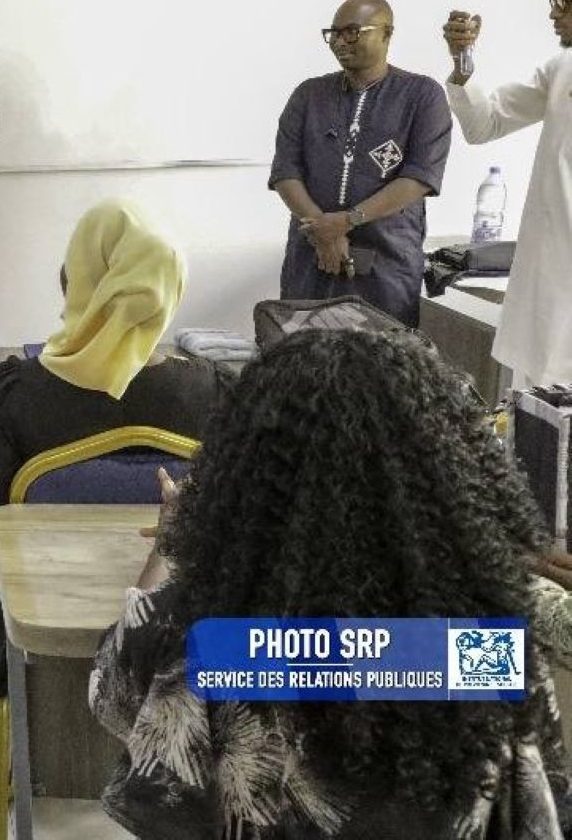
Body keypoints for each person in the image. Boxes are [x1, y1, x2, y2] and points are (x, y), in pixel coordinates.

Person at [88, 329, 569, 837]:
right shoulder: (484, 648)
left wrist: (168, 544)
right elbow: (539, 812)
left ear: (244, 469)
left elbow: (110, 700)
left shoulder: (193, 634)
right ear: (444, 472)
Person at [0, 200, 223, 793]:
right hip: (170, 653)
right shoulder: (212, 393)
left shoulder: (15, 394)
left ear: (77, 283)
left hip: (34, 637)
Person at [269, 0, 452, 328]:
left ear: (386, 33)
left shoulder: (422, 96)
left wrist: (347, 221)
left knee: (382, 365)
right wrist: (324, 230)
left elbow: (418, 177)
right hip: (312, 258)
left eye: (352, 31)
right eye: (334, 33)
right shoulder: (308, 95)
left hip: (386, 263)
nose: (340, 41)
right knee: (302, 362)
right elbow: (285, 172)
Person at [442, 0, 572, 388]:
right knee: (538, 434)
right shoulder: (561, 71)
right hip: (550, 294)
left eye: (567, 1)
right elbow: (485, 124)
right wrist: (464, 65)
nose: (554, 12)